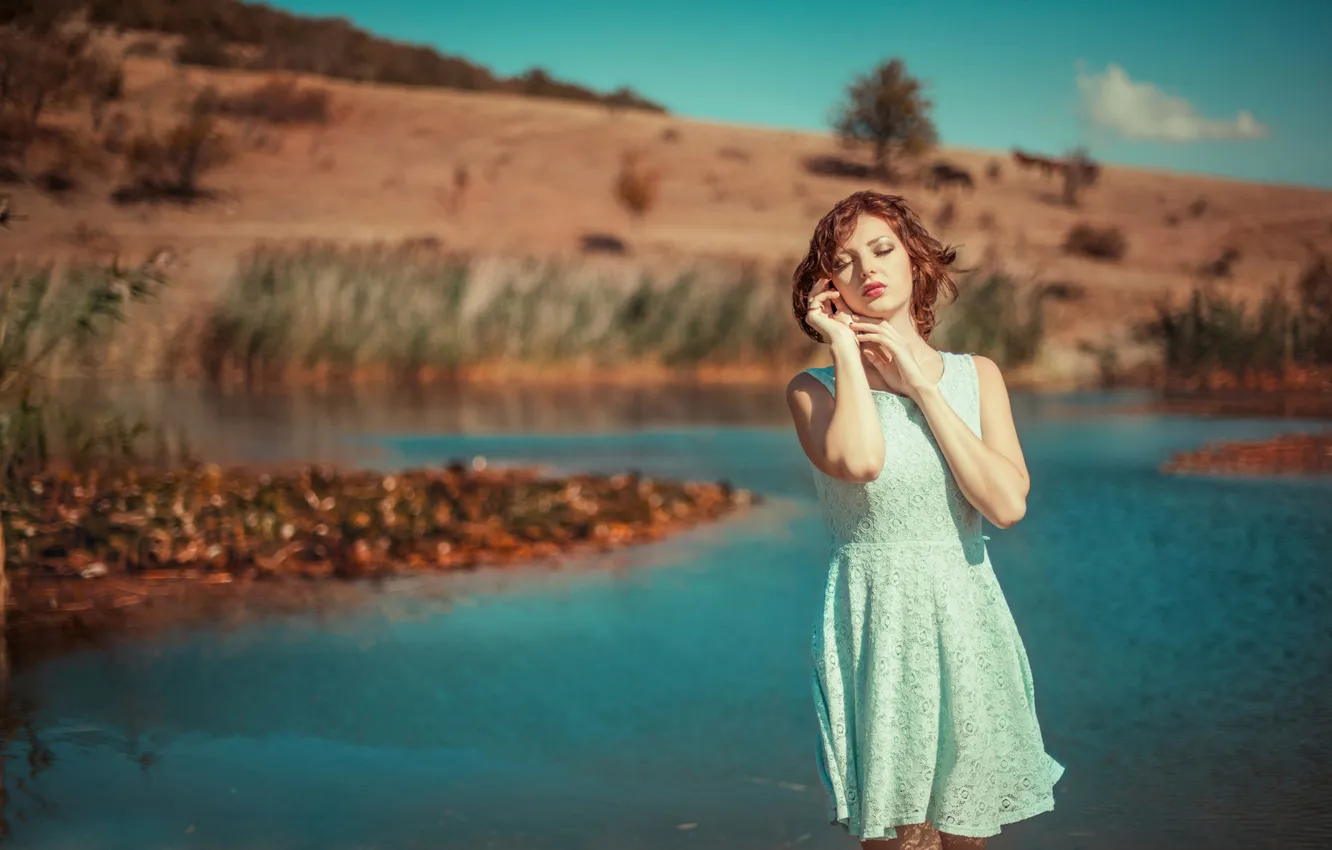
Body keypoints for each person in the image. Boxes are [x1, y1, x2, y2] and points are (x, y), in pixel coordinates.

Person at [785, 191, 1065, 849]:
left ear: (916, 261)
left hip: (967, 622)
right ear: (828, 288)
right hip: (878, 627)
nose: (866, 270)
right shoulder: (812, 389)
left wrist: (924, 389)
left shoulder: (978, 377)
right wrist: (846, 352)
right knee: (902, 838)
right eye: (843, 263)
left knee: (968, 835)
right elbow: (858, 458)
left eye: (881, 250)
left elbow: (1006, 504)